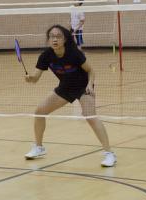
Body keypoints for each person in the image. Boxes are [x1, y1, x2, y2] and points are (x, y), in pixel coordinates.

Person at [23, 24, 116, 168]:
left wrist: (90, 85)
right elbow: (35, 78)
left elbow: (91, 71)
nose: (55, 39)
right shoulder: (46, 56)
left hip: (83, 87)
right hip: (65, 88)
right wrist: (30, 78)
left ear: (65, 39)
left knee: (90, 116)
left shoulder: (74, 53)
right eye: (52, 36)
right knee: (39, 112)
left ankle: (109, 154)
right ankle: (39, 147)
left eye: (58, 36)